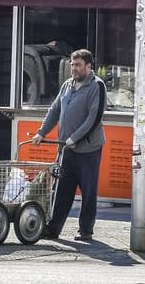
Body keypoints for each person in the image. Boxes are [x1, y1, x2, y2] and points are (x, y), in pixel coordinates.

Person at [33, 48, 107, 243]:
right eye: (72, 64)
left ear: (89, 67)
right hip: (66, 149)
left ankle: (85, 230)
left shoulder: (97, 86)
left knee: (88, 191)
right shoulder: (68, 84)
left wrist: (75, 138)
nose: (74, 68)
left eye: (78, 65)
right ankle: (53, 228)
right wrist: (42, 132)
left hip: (88, 149)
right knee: (62, 190)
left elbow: (94, 118)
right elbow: (55, 109)